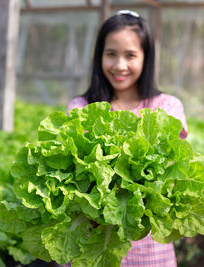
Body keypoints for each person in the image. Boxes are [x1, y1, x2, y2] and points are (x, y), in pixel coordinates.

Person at [66, 10, 188, 267]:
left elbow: (178, 172)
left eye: (130, 55)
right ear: (100, 56)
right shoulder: (81, 107)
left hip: (148, 248)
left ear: (146, 57)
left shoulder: (166, 108)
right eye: (111, 54)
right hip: (93, 240)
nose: (119, 65)